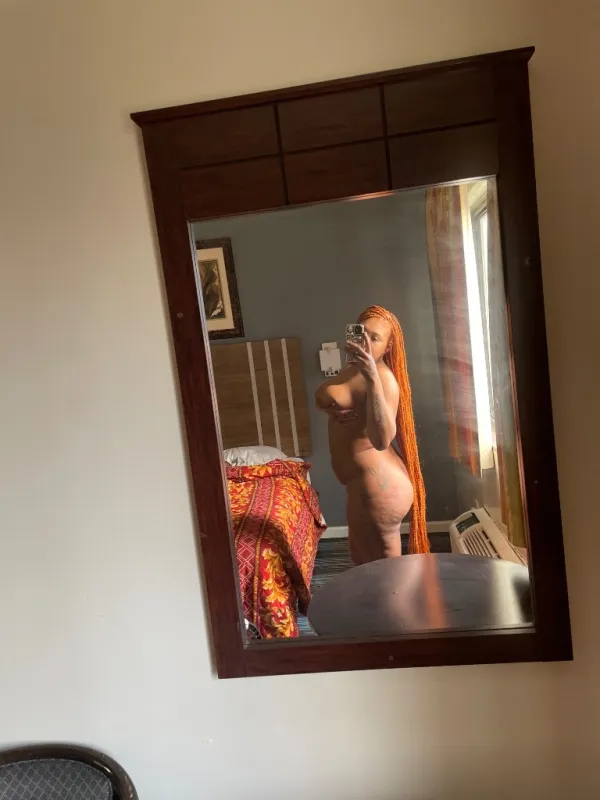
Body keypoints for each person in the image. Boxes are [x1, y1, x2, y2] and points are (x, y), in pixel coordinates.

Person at [315, 305, 428, 564]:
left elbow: (382, 440)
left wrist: (372, 378)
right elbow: (324, 396)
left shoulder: (384, 380)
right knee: (363, 565)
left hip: (380, 488)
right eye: (361, 332)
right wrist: (331, 409)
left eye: (374, 338)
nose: (365, 342)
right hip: (361, 487)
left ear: (388, 347)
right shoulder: (351, 369)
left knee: (386, 572)